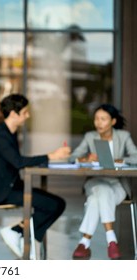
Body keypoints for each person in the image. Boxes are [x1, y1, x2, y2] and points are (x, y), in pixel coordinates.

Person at [0, 93, 70, 259]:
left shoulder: (10, 132)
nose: (28, 115)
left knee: (57, 204)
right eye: (25, 112)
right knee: (53, 205)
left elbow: (15, 162)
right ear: (14, 114)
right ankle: (17, 233)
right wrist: (51, 156)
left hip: (10, 186)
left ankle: (20, 234)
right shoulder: (1, 135)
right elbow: (18, 162)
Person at [69, 104, 137, 260]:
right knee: (101, 189)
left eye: (103, 119)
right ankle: (111, 239)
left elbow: (136, 156)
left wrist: (119, 160)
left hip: (117, 185)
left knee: (95, 199)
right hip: (95, 182)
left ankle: (84, 243)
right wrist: (85, 158)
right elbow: (73, 157)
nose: (98, 123)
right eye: (96, 119)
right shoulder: (90, 136)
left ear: (113, 121)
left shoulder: (123, 136)